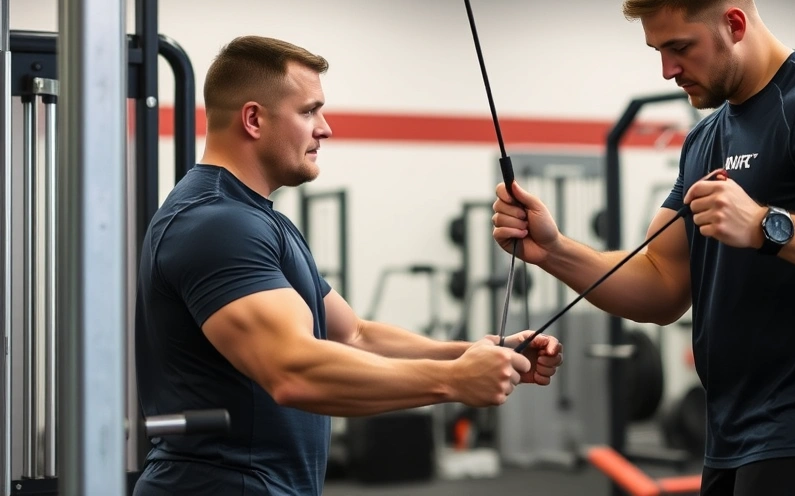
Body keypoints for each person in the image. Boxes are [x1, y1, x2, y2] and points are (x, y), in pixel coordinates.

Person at [491, 0, 795, 496]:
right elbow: (660, 284)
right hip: (731, 429)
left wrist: (767, 225)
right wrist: (552, 250)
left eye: (679, 47)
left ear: (734, 23)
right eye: (657, 50)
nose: (667, 69)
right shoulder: (706, 135)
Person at [133, 35, 563, 496]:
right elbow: (292, 371)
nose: (326, 128)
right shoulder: (217, 224)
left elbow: (353, 334)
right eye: (309, 111)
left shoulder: (255, 219)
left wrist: (473, 352)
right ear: (254, 119)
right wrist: (453, 381)